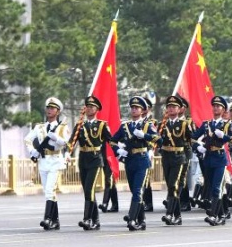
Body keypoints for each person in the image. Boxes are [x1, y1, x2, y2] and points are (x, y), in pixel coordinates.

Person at [112, 96, 160, 231]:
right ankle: (141, 220)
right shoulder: (125, 126)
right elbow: (112, 140)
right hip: (129, 161)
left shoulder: (147, 125)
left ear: (142, 111)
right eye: (132, 108)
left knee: (138, 191)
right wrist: (118, 151)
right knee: (134, 191)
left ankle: (132, 219)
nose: (134, 110)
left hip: (142, 160)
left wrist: (144, 135)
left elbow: (159, 139)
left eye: (137, 108)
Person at [24, 97, 70, 231]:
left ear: (58, 111)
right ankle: (55, 221)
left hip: (55, 161)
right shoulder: (39, 127)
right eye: (48, 108)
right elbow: (27, 139)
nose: (49, 110)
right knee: (48, 191)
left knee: (50, 190)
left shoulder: (62, 127)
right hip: (43, 161)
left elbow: (67, 142)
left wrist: (56, 137)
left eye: (52, 108)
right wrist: (32, 151)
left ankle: (48, 219)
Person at [193, 95, 232, 226]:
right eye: (214, 106)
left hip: (220, 158)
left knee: (216, 188)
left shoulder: (227, 124)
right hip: (208, 158)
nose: (215, 108)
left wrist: (224, 136)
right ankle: (221, 215)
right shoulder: (206, 124)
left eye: (218, 106)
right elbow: (192, 138)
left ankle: (214, 215)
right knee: (210, 187)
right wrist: (198, 146)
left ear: (224, 109)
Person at [68, 95, 113, 230]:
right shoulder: (79, 125)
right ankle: (95, 220)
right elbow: (72, 142)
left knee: (89, 189)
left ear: (97, 109)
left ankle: (87, 219)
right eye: (87, 107)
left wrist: (121, 150)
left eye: (92, 107)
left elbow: (111, 140)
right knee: (88, 191)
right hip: (83, 158)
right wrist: (67, 153)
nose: (89, 109)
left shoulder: (102, 125)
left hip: (95, 159)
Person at [157, 95, 194, 225]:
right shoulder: (162, 124)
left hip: (179, 157)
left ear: (179, 109)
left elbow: (192, 139)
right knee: (171, 186)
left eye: (174, 107)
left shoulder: (184, 124)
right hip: (166, 157)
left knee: (174, 185)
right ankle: (177, 216)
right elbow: (157, 140)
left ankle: (169, 214)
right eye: (169, 107)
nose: (171, 109)